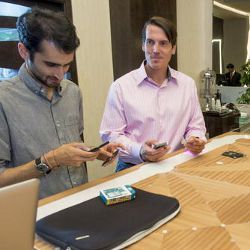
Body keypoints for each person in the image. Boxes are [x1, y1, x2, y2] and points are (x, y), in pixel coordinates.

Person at [0, 8, 122, 198]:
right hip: (35, 215)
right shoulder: (4, 100)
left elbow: (69, 144)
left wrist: (94, 152)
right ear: (23, 51)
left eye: (66, 65)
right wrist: (51, 160)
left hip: (79, 201)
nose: (60, 74)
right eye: (51, 65)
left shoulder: (72, 92)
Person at [100, 16, 207, 172]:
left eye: (163, 43)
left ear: (174, 48)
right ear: (143, 45)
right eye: (150, 42)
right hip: (132, 167)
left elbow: (195, 126)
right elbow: (111, 134)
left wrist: (196, 140)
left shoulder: (187, 85)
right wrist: (140, 151)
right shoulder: (121, 87)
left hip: (175, 164)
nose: (155, 50)